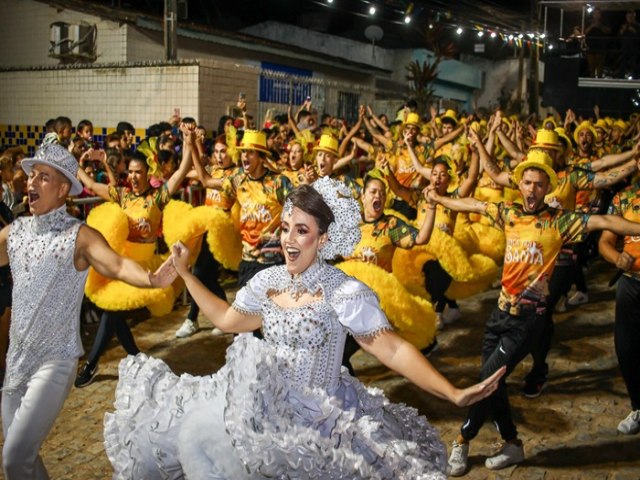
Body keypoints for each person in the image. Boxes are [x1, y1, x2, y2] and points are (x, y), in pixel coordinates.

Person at [103, 177, 505, 479]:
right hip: (265, 409)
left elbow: (393, 350)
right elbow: (227, 320)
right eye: (285, 228)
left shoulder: (344, 290)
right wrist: (187, 276)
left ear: (323, 239)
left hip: (321, 420)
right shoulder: (267, 280)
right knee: (198, 438)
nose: (290, 240)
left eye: (302, 231)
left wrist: (452, 393)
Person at [427, 151, 640, 476]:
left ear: (547, 189)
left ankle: (462, 438)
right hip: (498, 317)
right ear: (521, 184)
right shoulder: (509, 214)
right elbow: (473, 205)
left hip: (526, 323)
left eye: (539, 185)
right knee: (492, 381)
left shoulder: (559, 222)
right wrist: (439, 198)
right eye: (527, 182)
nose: (531, 189)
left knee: (487, 381)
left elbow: (606, 222)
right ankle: (512, 443)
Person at [0, 143, 177, 479]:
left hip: (55, 360)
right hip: (16, 362)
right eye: (31, 175)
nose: (32, 182)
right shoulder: (16, 232)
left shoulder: (79, 236)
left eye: (44, 177)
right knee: (23, 459)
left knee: (12, 459)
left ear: (64, 188)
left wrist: (153, 278)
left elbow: (119, 265)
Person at [73, 123, 194, 388]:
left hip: (145, 266)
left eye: (139, 172)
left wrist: (187, 142)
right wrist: (73, 163)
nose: (135, 176)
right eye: (130, 172)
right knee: (112, 313)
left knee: (111, 313)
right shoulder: (123, 195)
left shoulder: (157, 198)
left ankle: (93, 364)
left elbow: (182, 171)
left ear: (147, 172)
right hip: (123, 264)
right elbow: (92, 185)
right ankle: (135, 358)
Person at [598, 160, 640, 435]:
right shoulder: (624, 198)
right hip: (632, 284)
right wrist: (617, 259)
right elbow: (604, 241)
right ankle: (638, 406)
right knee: (626, 349)